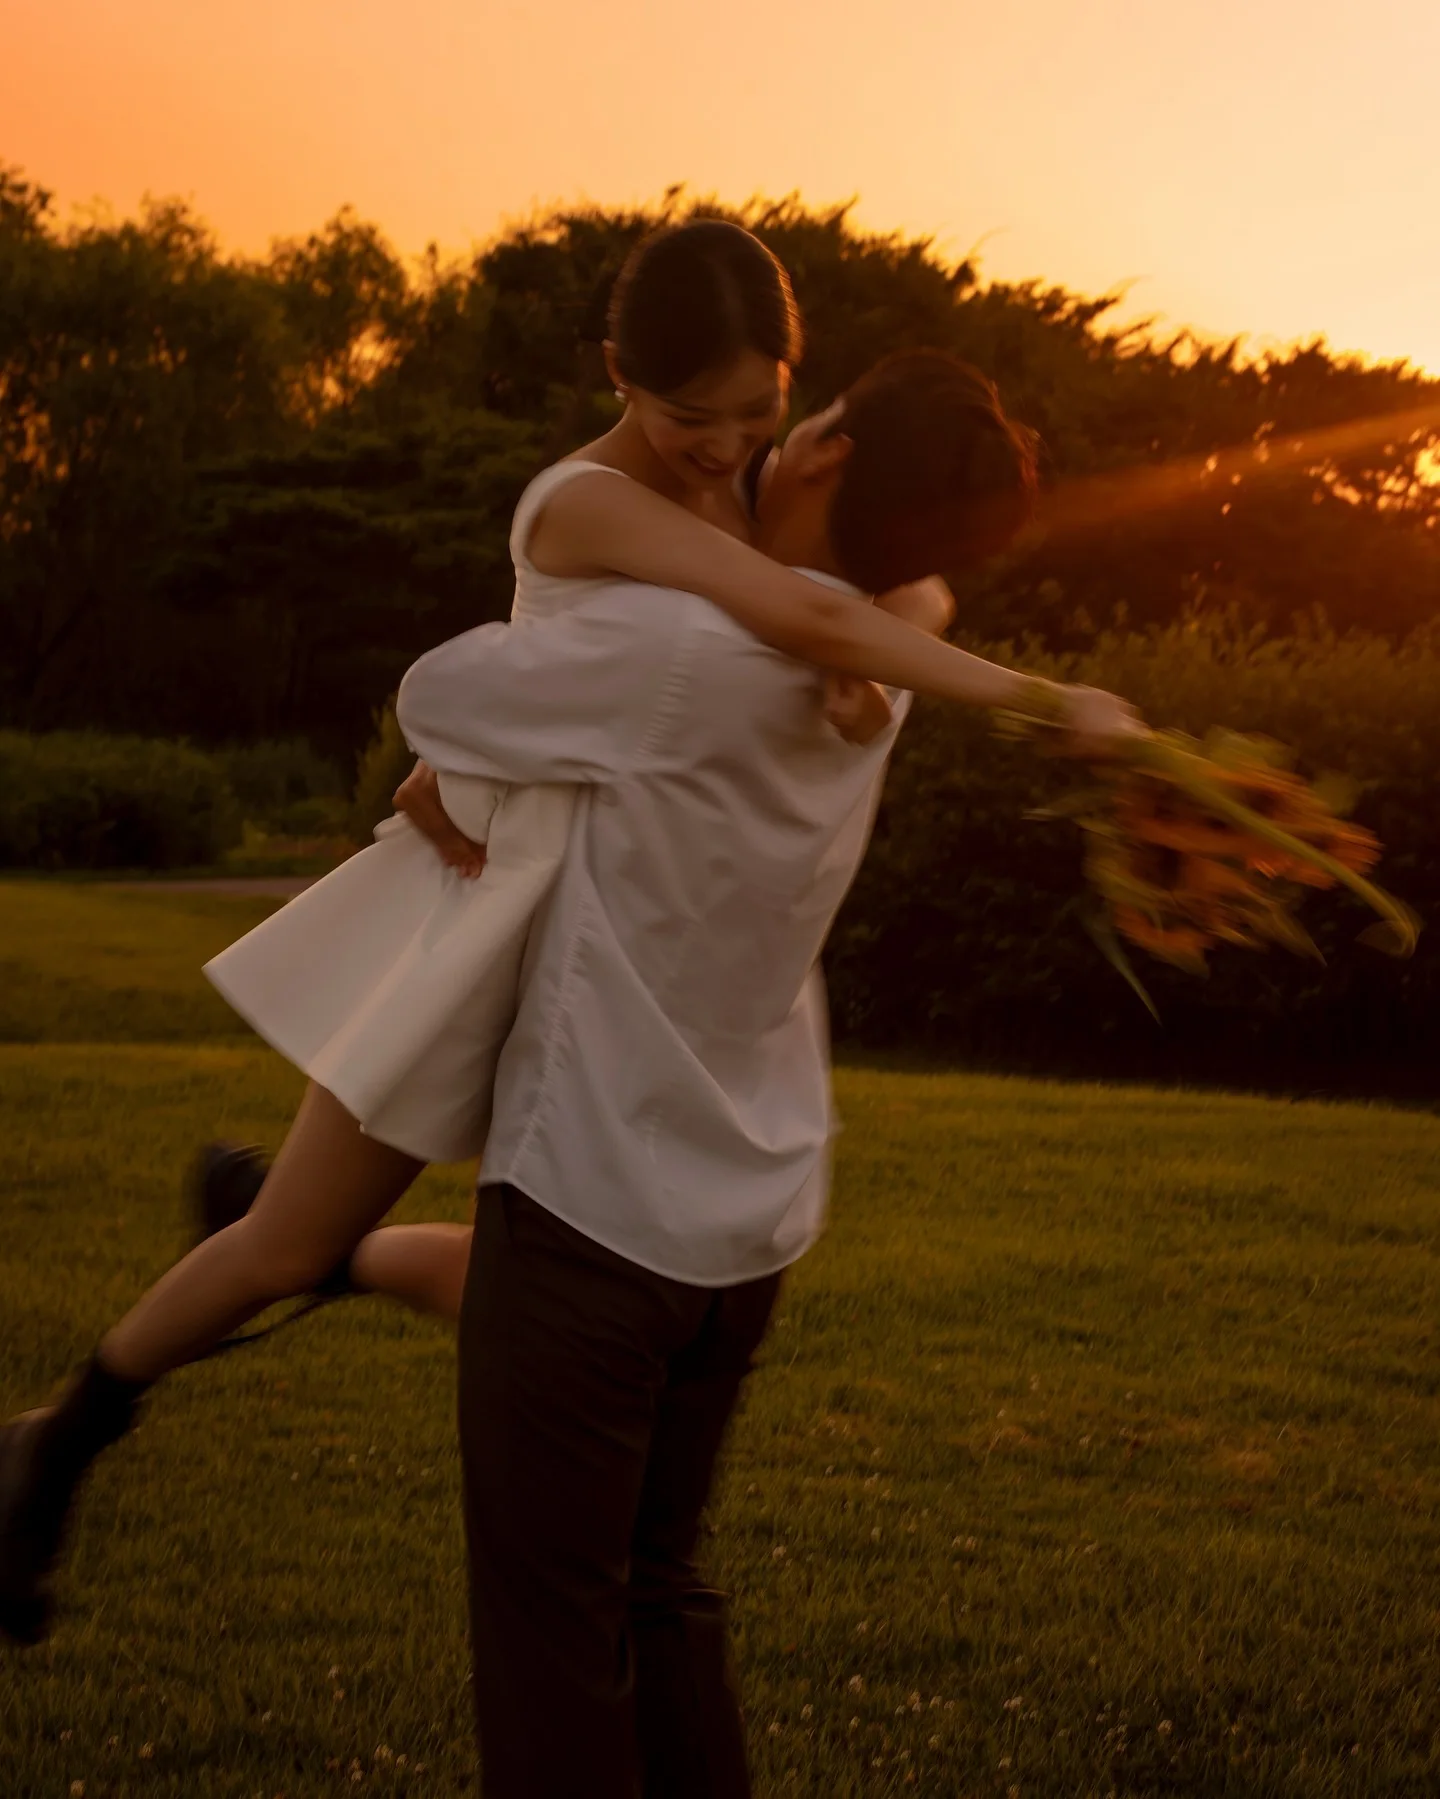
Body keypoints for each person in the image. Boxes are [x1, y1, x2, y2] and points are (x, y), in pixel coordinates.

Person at [0, 222, 1138, 1654]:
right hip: (497, 908)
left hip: (614, 933)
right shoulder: (586, 501)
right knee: (286, 1243)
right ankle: (62, 1436)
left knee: (533, 1295)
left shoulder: (755, 490)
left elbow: (885, 586)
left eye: (759, 407)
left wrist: (887, 620)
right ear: (618, 374)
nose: (726, 446)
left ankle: (319, 1254)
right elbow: (789, 607)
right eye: (691, 415)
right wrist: (1041, 698)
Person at [386, 344, 1139, 1795]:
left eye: (804, 419)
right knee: (660, 1590)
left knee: (554, 1642)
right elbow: (849, 610)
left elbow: (448, 698)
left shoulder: (676, 652)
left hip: (592, 1200)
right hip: (749, 1217)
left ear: (829, 450)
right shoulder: (893, 653)